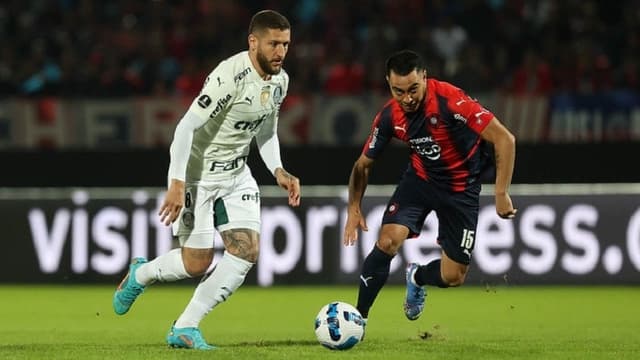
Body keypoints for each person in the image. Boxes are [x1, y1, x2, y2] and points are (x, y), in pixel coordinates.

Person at [112, 10, 301, 350]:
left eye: (285, 44)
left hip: (238, 174)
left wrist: (278, 170)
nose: (280, 52)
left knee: (246, 251)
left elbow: (266, 133)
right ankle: (140, 274)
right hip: (198, 176)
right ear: (253, 41)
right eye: (274, 44)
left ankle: (185, 327)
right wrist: (177, 182)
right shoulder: (229, 76)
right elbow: (185, 127)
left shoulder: (280, 82)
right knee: (195, 263)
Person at [343, 49, 516, 324]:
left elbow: (505, 139)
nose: (407, 98)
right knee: (387, 240)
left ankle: (418, 277)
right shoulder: (389, 116)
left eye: (413, 89)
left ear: (425, 77)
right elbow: (363, 165)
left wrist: (501, 192)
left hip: (462, 189)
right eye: (399, 91)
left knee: (453, 276)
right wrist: (353, 208)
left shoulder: (452, 101)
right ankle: (357, 319)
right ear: (389, 84)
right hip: (420, 181)